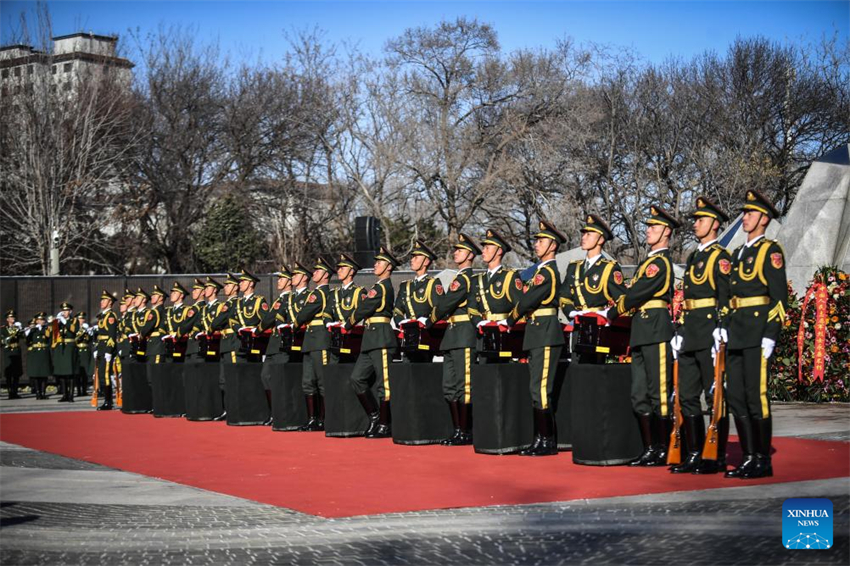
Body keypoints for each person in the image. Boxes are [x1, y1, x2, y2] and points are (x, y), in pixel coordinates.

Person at [720, 190, 788, 480]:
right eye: (745, 213)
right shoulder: (738, 253)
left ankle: (762, 459)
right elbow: (729, 296)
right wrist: (722, 325)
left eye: (750, 213)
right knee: (735, 396)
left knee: (756, 396)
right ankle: (748, 457)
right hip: (736, 333)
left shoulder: (770, 251)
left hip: (757, 334)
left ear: (764, 218)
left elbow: (779, 298)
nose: (745, 217)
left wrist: (770, 335)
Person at [607, 206, 679, 466]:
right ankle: (650, 448)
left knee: (659, 392)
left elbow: (638, 294)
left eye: (654, 227)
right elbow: (633, 292)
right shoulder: (647, 262)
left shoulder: (660, 263)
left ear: (666, 232)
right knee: (639, 393)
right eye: (648, 227)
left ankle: (664, 448)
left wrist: (613, 311)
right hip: (641, 330)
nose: (648, 230)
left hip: (656, 330)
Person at [669, 197, 732, 474]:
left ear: (715, 224)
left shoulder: (721, 257)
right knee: (686, 396)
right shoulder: (694, 256)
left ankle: (714, 455)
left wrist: (722, 327)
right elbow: (687, 297)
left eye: (701, 220)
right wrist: (680, 329)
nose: (696, 224)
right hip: (691, 329)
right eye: (695, 220)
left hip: (709, 331)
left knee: (715, 395)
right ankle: (694, 453)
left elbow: (726, 297)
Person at [505, 220, 568, 456]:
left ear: (552, 245)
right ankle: (540, 438)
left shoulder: (547, 272)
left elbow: (530, 298)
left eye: (541, 241)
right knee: (536, 388)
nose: (536, 245)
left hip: (545, 331)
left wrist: (511, 318)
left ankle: (546, 439)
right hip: (536, 330)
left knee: (541, 389)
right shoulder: (540, 271)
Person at [429, 232, 481, 446]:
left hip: (464, 335)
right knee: (449, 386)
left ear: (469, 255)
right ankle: (458, 429)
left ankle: (466, 430)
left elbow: (447, 303)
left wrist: (430, 318)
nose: (455, 253)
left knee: (464, 385)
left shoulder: (465, 278)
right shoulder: (459, 278)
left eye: (459, 250)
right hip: (452, 336)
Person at [347, 247, 400, 438]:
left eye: (379, 262)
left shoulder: (382, 287)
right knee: (356, 378)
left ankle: (386, 424)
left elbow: (365, 307)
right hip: (370, 339)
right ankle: (375, 415)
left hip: (381, 339)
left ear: (388, 267)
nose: (375, 265)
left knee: (383, 384)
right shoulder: (377, 286)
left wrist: (348, 321)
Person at [559, 215, 628, 362]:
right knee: (576, 368)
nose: (584, 237)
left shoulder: (609, 268)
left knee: (593, 371)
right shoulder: (574, 266)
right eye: (584, 233)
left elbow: (622, 299)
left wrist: (607, 314)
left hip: (598, 328)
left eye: (589, 234)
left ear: (601, 239)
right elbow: (564, 296)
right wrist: (571, 312)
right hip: (578, 325)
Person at [293, 257, 337, 431]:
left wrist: (295, 323)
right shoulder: (316, 293)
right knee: (308, 381)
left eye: (318, 271)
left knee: (322, 381)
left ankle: (324, 418)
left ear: (325, 275)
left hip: (320, 340)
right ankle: (314, 418)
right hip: (312, 340)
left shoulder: (319, 293)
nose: (314, 273)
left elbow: (304, 313)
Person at [474, 229, 523, 361]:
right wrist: (479, 322)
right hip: (483, 334)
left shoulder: (510, 276)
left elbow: (520, 305)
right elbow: (472, 307)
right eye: (483, 247)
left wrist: (509, 323)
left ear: (499, 251)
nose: (483, 251)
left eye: (488, 248)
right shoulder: (477, 279)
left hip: (503, 335)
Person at [392, 240, 439, 362]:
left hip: (425, 336)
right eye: (412, 257)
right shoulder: (405, 285)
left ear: (426, 261)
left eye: (416, 257)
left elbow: (438, 308)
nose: (412, 260)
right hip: (407, 335)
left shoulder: (432, 284)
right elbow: (397, 310)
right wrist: (402, 323)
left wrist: (427, 322)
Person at [93, 291, 119, 410]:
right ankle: (106, 400)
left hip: (106, 350)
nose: (101, 302)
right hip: (101, 349)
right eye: (101, 300)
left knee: (106, 375)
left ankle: (108, 401)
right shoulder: (103, 316)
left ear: (110, 303)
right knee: (102, 375)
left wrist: (109, 351)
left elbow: (112, 335)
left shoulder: (111, 316)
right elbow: (100, 335)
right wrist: (97, 349)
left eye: (104, 300)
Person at [51, 302, 80, 403]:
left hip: (70, 348)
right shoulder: (58, 321)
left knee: (70, 373)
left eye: (66, 310)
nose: (64, 312)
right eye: (63, 311)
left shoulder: (74, 320)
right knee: (62, 373)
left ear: (70, 311)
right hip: (60, 348)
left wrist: (64, 322)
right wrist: (55, 322)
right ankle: (64, 395)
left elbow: (74, 330)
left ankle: (71, 395)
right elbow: (54, 333)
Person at [25, 313, 51, 399]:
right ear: (36, 321)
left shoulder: (47, 328)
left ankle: (43, 392)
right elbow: (27, 342)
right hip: (35, 353)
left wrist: (43, 329)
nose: (41, 321)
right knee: (36, 374)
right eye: (39, 320)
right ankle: (37, 393)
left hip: (44, 353)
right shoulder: (32, 330)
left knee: (44, 374)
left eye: (43, 320)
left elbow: (49, 337)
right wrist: (29, 331)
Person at [1, 309, 23, 399]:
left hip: (16, 351)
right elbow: (2, 340)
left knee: (16, 373)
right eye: (11, 317)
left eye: (13, 317)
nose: (13, 318)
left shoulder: (17, 327)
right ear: (7, 319)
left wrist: (20, 329)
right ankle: (10, 392)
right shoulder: (3, 329)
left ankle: (15, 392)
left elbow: (22, 337)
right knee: (9, 374)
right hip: (8, 352)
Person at [74, 311, 94, 397]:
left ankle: (84, 390)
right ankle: (78, 390)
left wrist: (90, 332)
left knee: (85, 372)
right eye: (80, 318)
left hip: (85, 351)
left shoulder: (86, 328)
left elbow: (89, 340)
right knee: (78, 372)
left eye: (82, 318)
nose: (81, 320)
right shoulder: (75, 328)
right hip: (77, 350)